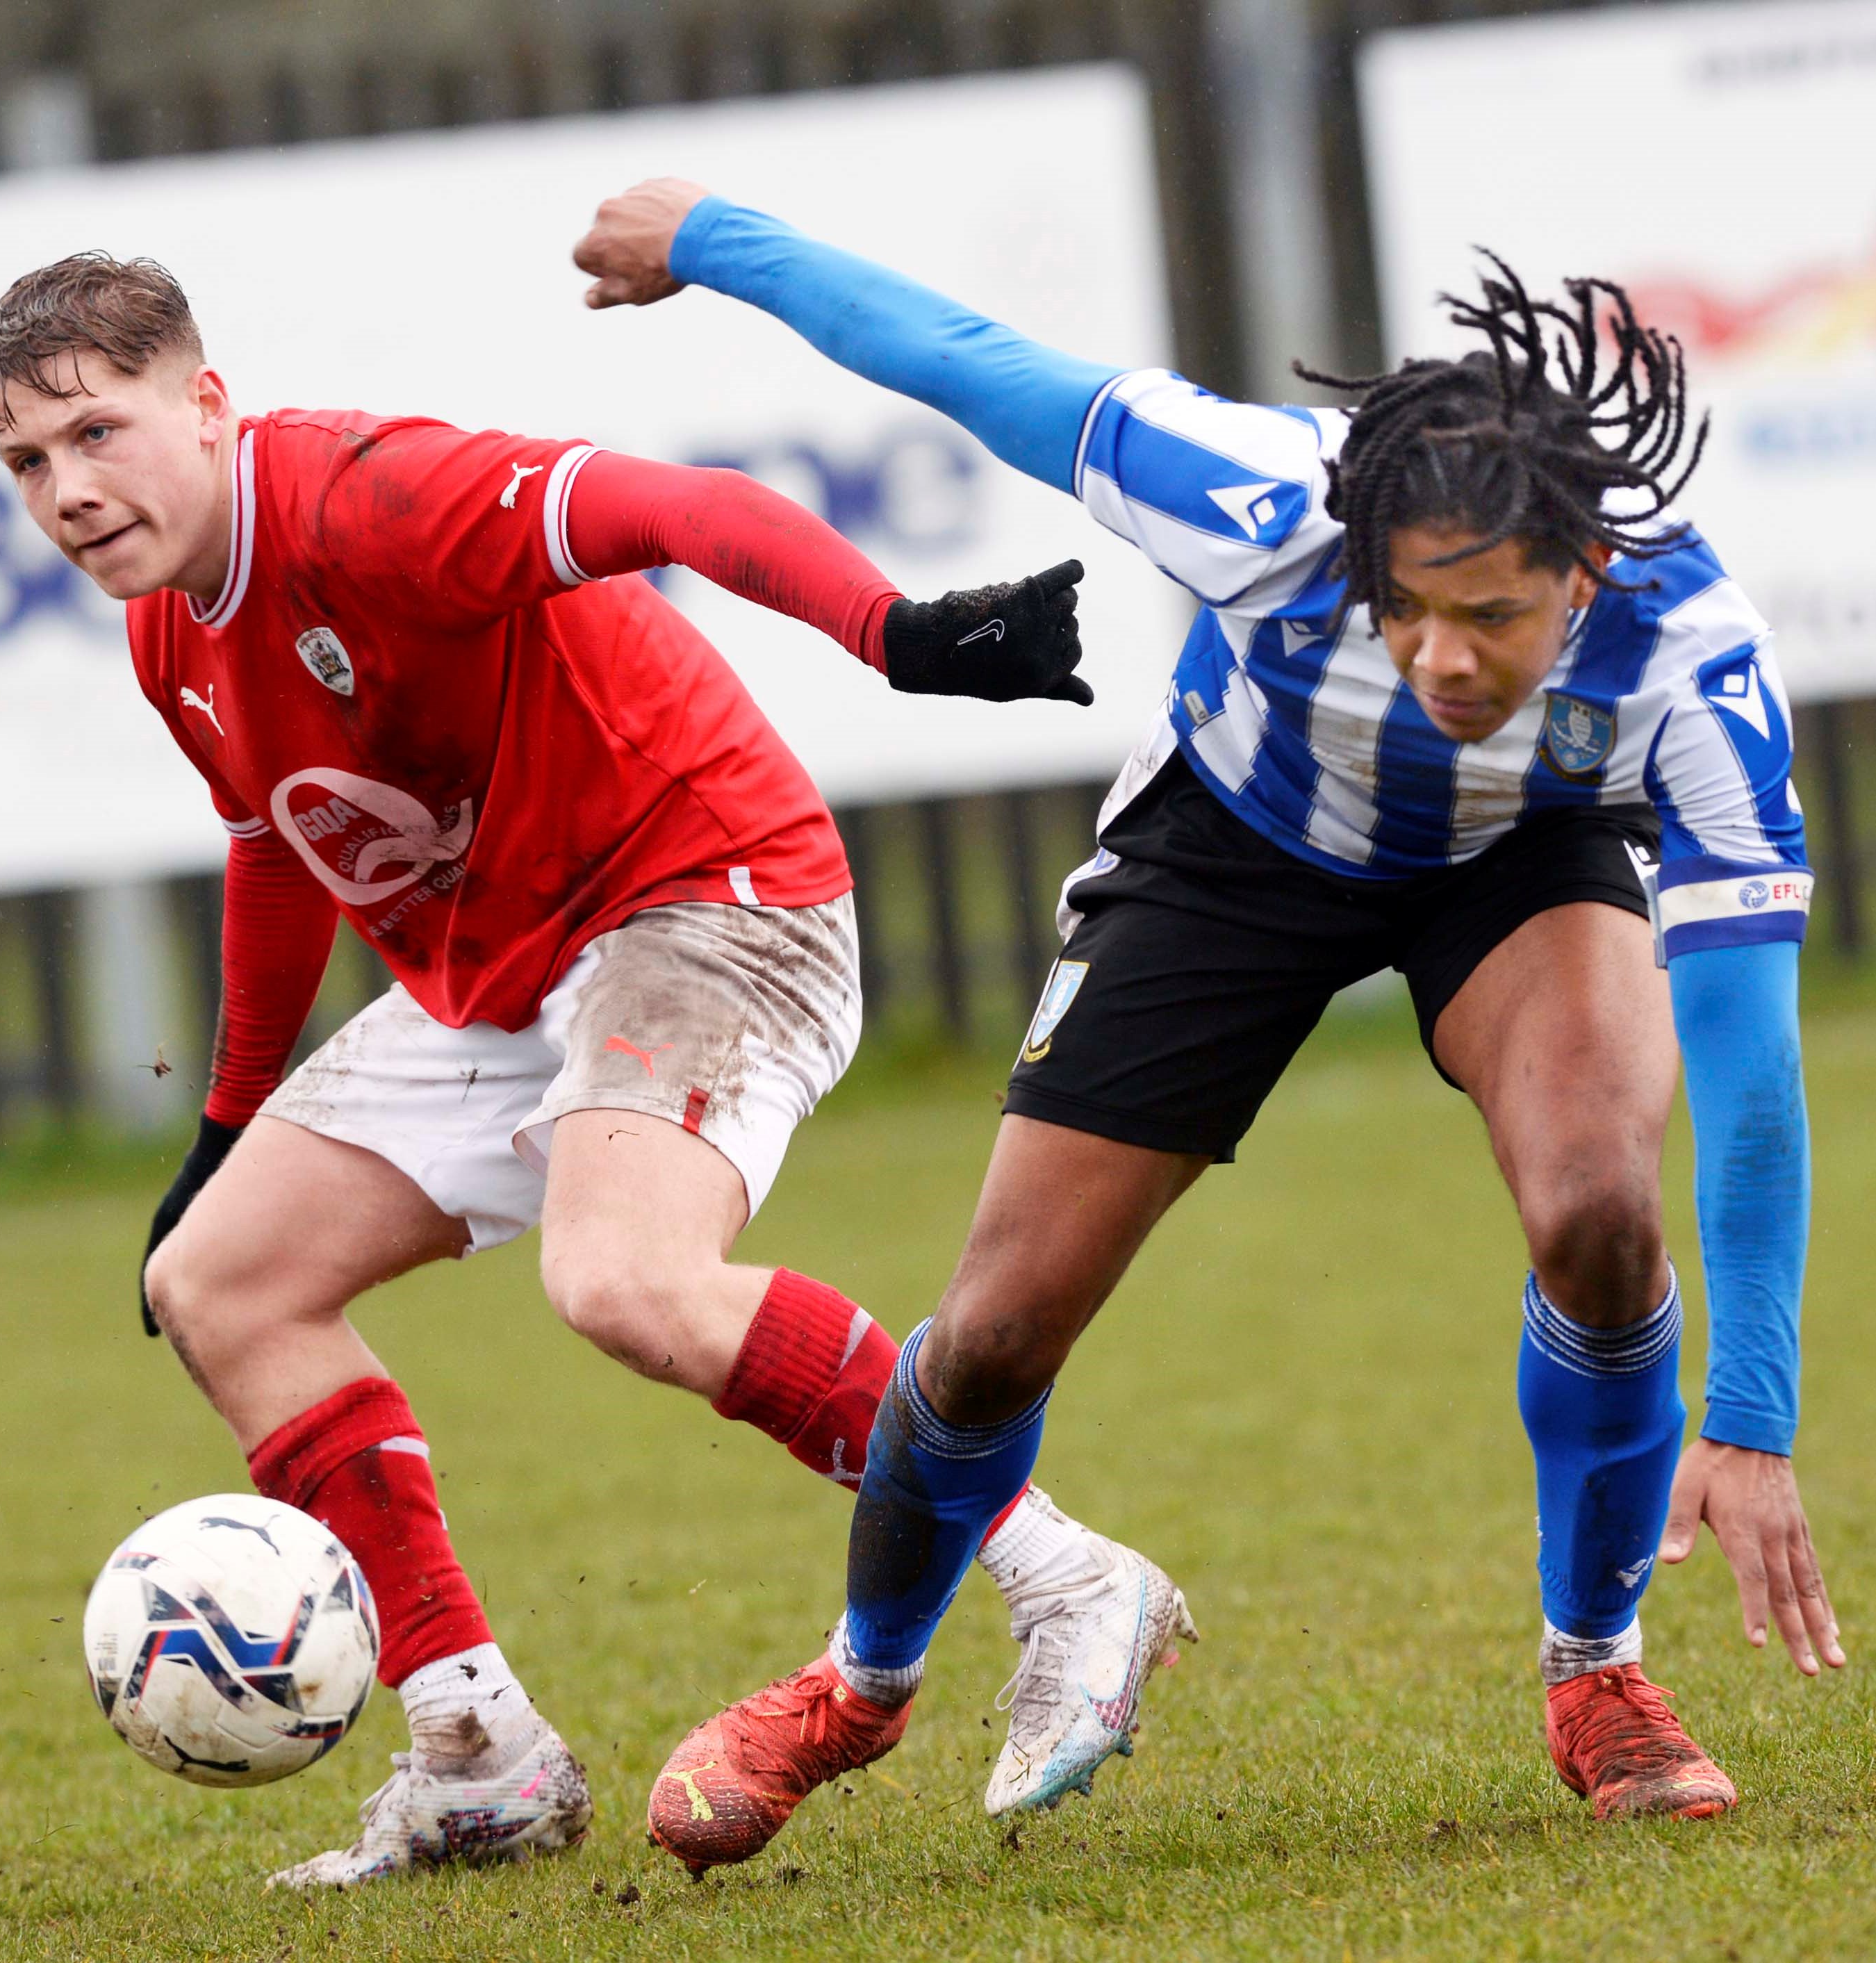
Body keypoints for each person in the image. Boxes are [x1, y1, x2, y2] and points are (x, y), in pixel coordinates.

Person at [573, 182, 1841, 1873]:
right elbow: (964, 360)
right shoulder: (1252, 494)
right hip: (1234, 852)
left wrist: (1750, 1419)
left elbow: (1751, 1075)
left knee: (1603, 1208)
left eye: (1498, 618)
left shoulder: (1696, 664)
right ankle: (862, 1683)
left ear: (1588, 575)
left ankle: (1599, 1677)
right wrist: (712, 238)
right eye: (1410, 608)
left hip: (1517, 864)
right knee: (997, 1330)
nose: (1446, 658)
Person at [0, 251, 1195, 1888]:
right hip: (509, 966)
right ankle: (476, 1754)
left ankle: (1064, 1573)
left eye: (95, 434)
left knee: (620, 1278)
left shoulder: (368, 497)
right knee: (222, 1281)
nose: (66, 490)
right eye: (26, 464)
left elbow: (672, 507)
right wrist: (229, 1118)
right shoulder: (175, 632)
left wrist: (888, 630)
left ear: (204, 404)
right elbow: (275, 842)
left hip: (706, 893)